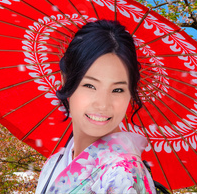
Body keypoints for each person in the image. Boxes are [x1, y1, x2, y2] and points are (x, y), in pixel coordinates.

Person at [35, 20, 157, 193]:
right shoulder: (54, 163)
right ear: (65, 81)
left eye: (117, 89)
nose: (102, 104)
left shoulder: (123, 173)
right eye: (90, 86)